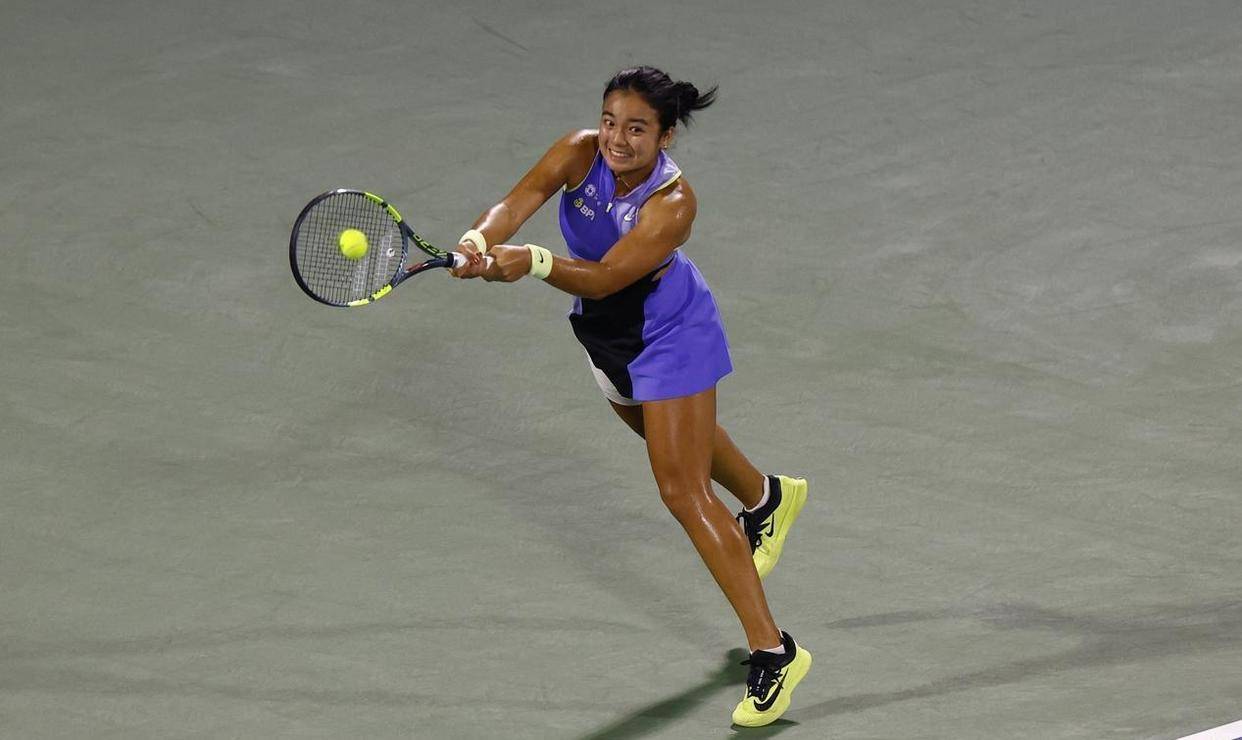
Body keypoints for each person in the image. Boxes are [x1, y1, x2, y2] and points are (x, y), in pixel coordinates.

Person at [452, 66, 811, 727]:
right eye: (610, 122)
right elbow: (518, 201)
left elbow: (604, 277)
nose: (617, 139)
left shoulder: (673, 203)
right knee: (666, 437)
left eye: (637, 129)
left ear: (666, 136)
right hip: (607, 334)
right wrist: (480, 239)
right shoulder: (577, 151)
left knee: (682, 490)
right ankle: (766, 497)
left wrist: (530, 261)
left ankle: (775, 652)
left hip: (671, 332)